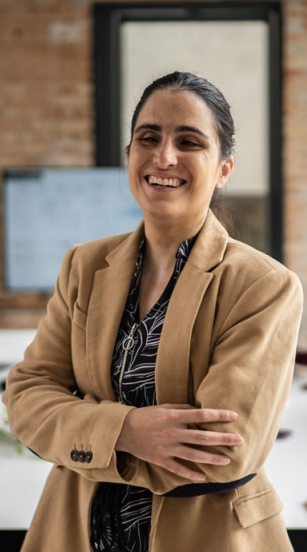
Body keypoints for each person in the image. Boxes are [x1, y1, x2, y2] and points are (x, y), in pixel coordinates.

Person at [3, 72, 303, 552]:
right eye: (148, 137)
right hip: (74, 534)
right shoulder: (83, 266)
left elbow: (223, 452)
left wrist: (78, 429)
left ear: (224, 168)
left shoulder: (263, 286)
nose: (164, 156)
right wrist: (128, 430)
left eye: (189, 141)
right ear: (129, 156)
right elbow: (25, 397)